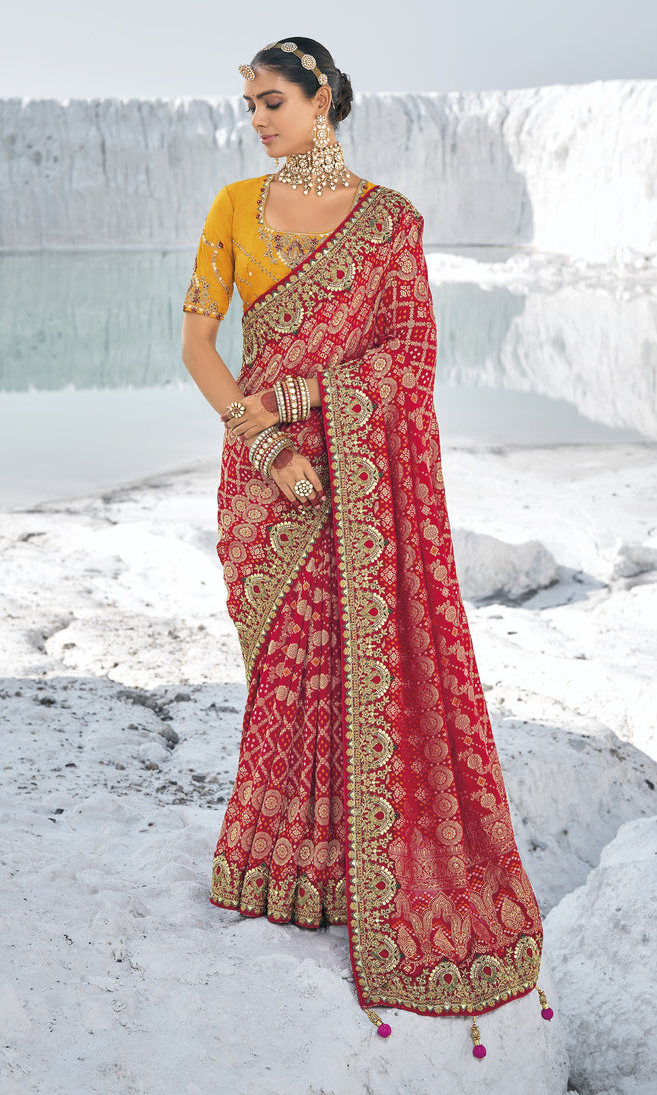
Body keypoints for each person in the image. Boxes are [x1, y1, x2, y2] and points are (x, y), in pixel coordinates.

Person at [181, 37, 553, 1054]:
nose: (257, 120)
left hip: (353, 474)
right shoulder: (234, 209)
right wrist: (267, 443)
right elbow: (198, 346)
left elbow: (413, 358)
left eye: (272, 101)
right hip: (265, 472)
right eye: (249, 105)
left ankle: (351, 866)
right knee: (284, 663)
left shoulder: (389, 224)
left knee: (354, 663)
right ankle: (276, 863)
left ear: (322, 100)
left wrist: (317, 393)